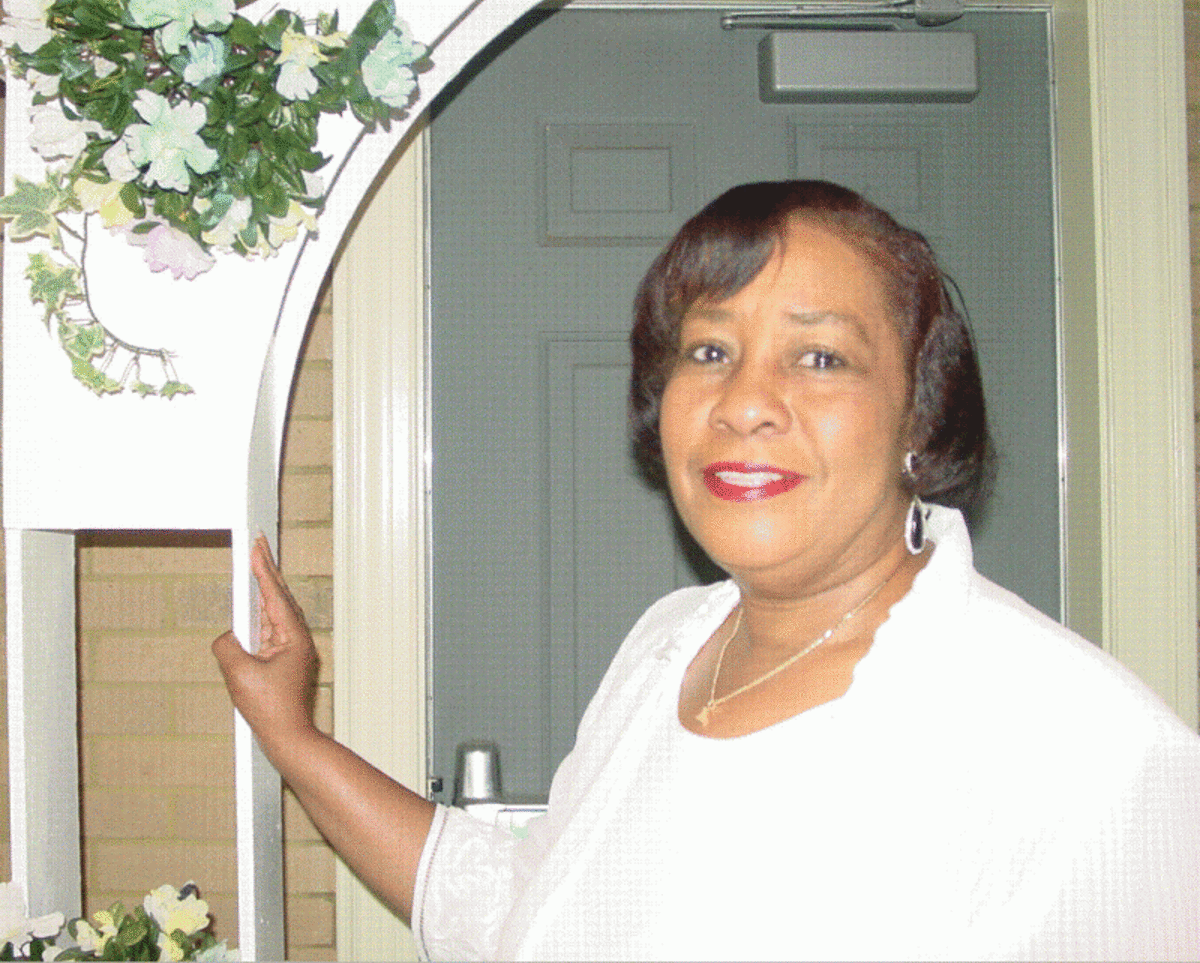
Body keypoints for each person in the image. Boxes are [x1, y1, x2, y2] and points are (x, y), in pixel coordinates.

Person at [214, 181, 1200, 961]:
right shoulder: (669, 645)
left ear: (922, 412)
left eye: (820, 357)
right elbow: (528, 914)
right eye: (710, 349)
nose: (744, 401)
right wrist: (293, 736)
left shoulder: (1078, 745)